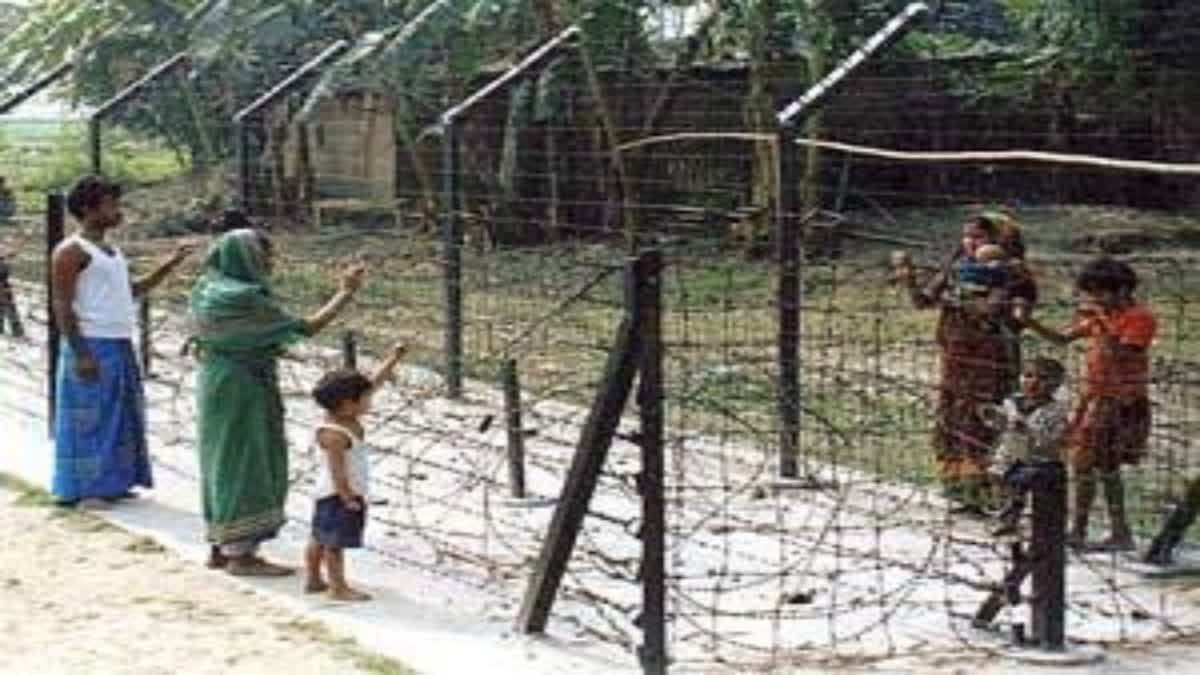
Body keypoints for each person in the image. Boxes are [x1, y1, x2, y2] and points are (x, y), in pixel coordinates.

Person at [190, 217, 367, 576]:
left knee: (219, 461)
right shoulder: (247, 300)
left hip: (215, 382)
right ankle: (242, 554)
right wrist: (345, 292)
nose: (269, 266)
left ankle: (220, 544)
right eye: (264, 258)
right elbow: (306, 328)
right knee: (248, 461)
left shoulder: (206, 291)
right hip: (245, 387)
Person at [50, 175, 194, 508]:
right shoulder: (71, 252)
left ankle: (115, 480)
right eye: (111, 204)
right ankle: (86, 488)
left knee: (120, 416)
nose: (118, 211)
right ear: (88, 209)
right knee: (90, 417)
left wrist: (169, 265)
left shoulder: (112, 252)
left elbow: (131, 291)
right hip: (92, 341)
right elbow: (62, 304)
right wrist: (80, 352)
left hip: (117, 340)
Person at [894, 213, 1037, 513]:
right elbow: (924, 301)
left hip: (990, 359)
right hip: (956, 358)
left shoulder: (1015, 275)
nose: (971, 243)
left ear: (1001, 240)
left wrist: (958, 299)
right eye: (967, 236)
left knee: (987, 420)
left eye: (979, 237)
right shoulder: (957, 269)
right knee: (954, 419)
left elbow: (994, 310)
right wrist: (908, 278)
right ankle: (962, 491)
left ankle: (994, 497)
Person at [1022, 257, 1155, 551]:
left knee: (1097, 466)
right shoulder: (1100, 316)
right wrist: (1029, 321)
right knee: (1087, 466)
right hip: (1094, 398)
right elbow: (1061, 339)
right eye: (1091, 293)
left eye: (1101, 293)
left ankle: (1097, 531)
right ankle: (1095, 530)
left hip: (1121, 402)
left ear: (1122, 291)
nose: (1095, 299)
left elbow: (1124, 352)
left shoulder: (1138, 318)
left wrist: (1101, 322)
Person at [305, 343, 407, 601]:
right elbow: (336, 470)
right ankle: (337, 588)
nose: (370, 400)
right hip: (337, 494)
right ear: (347, 404)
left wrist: (393, 358)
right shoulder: (334, 434)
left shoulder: (345, 418)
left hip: (334, 493)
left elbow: (374, 382)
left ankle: (314, 579)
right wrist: (347, 496)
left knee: (320, 537)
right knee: (334, 544)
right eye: (365, 399)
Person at [979, 357, 1069, 536]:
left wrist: (1028, 430)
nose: (1033, 382)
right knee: (1003, 482)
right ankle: (1008, 517)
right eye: (1028, 376)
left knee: (1030, 487)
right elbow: (1001, 424)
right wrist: (992, 417)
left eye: (1043, 378)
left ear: (1056, 384)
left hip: (1040, 459)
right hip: (1010, 453)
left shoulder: (1056, 411)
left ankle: (1038, 523)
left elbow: (1054, 439)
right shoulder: (1012, 402)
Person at [0, 243, 23, 338]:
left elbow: (7, 268)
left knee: (9, 308)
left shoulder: (5, 262)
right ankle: (16, 331)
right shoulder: (5, 263)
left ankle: (17, 331)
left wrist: (9, 257)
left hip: (5, 287)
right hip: (4, 287)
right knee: (9, 309)